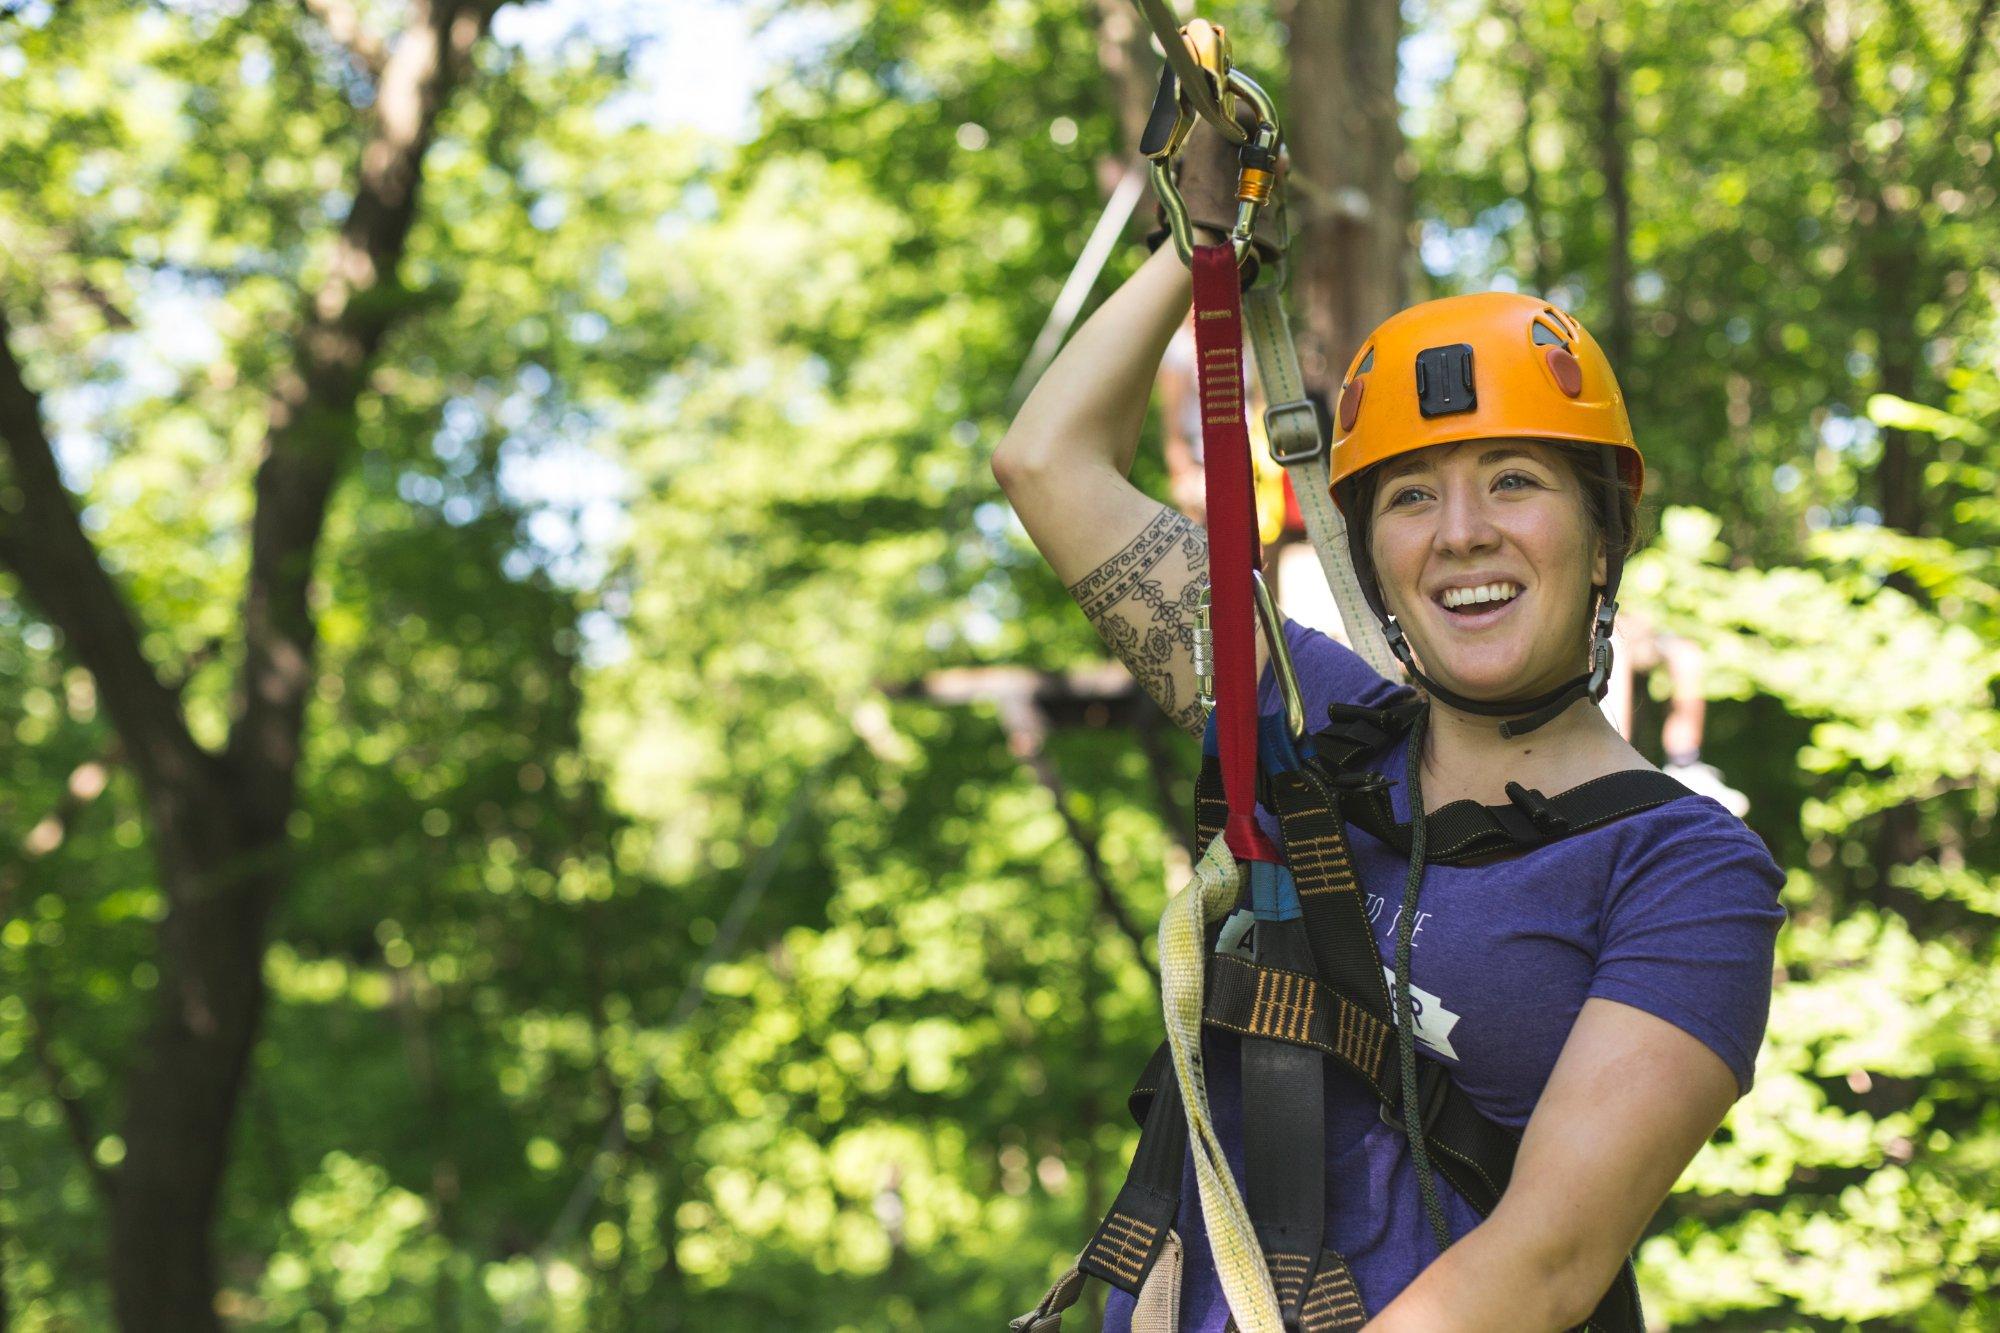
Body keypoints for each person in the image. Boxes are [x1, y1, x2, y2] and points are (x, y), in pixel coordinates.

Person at [991, 108, 1783, 1331]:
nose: (1460, 532)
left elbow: (1545, 1261)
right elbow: (1046, 465)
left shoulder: (1683, 871)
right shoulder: (1309, 716)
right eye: (1411, 496)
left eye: (1512, 480)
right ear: (1373, 561)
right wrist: (1201, 243)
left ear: (1601, 537)